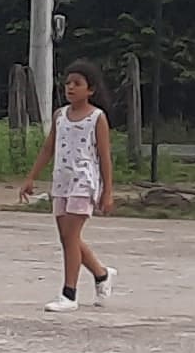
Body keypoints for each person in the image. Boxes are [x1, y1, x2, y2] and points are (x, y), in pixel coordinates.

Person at [16, 61, 119, 311]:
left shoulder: (97, 118)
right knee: (67, 238)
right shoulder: (60, 116)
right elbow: (48, 148)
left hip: (84, 182)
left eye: (77, 83)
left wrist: (107, 191)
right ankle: (102, 274)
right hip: (61, 181)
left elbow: (104, 156)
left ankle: (69, 294)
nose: (70, 88)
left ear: (90, 89)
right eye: (68, 83)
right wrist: (31, 177)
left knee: (70, 236)